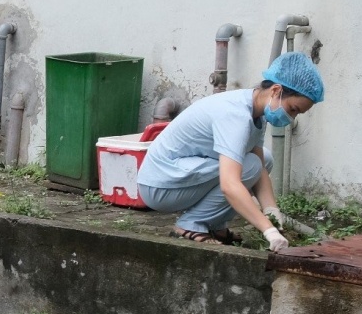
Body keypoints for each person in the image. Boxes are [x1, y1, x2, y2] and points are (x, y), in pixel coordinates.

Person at [137, 51, 325, 250]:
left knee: (262, 161)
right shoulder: (235, 116)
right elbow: (229, 184)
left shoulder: (256, 114)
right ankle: (189, 226)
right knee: (248, 166)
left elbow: (260, 168)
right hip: (160, 186)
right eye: (293, 109)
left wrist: (272, 210)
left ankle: (215, 226)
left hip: (179, 176)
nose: (291, 117)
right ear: (276, 90)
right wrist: (268, 230)